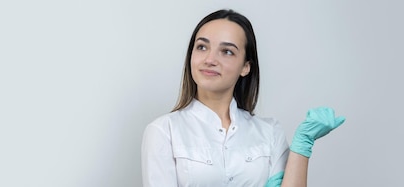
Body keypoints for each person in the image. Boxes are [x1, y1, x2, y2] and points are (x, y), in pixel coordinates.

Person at [141, 9, 345, 187]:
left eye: (227, 52)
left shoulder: (269, 133)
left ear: (246, 67)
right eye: (202, 47)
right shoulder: (163, 132)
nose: (210, 59)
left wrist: (302, 147)